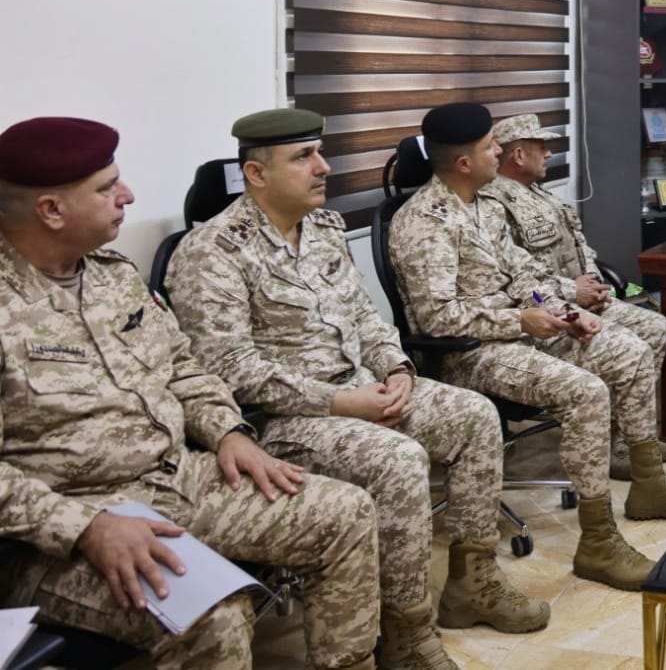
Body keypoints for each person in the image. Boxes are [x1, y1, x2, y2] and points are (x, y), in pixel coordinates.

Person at [166, 109, 550, 669]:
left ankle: (473, 583)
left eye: (319, 152)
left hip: (362, 388)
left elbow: (367, 320)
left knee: (473, 416)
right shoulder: (212, 251)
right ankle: (406, 632)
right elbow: (227, 368)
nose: (323, 167)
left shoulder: (323, 228)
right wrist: (340, 402)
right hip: (284, 420)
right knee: (398, 459)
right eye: (304, 157)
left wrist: (397, 369)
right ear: (256, 173)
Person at [0, 116, 381, 670]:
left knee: (344, 513)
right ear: (51, 211)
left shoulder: (112, 274)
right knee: (211, 616)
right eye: (107, 188)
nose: (128, 196)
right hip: (63, 526)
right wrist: (84, 527)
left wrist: (228, 431)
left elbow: (183, 367)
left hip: (177, 475)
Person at [387, 103, 666, 591]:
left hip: (523, 330)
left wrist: (562, 310)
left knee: (629, 350)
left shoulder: (485, 206)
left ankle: (648, 483)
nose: (499, 152)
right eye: (490, 146)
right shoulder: (423, 222)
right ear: (464, 162)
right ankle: (598, 541)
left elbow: (524, 276)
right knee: (587, 392)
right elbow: (437, 318)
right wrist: (520, 319)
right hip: (470, 353)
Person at [479, 112, 666, 480]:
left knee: (654, 326)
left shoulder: (538, 193)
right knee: (626, 346)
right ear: (518, 155)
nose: (549, 153)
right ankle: (612, 443)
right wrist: (573, 293)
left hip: (576, 298)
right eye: (541, 146)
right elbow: (518, 277)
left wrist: (594, 285)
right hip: (545, 310)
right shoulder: (494, 204)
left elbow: (579, 246)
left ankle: (627, 436)